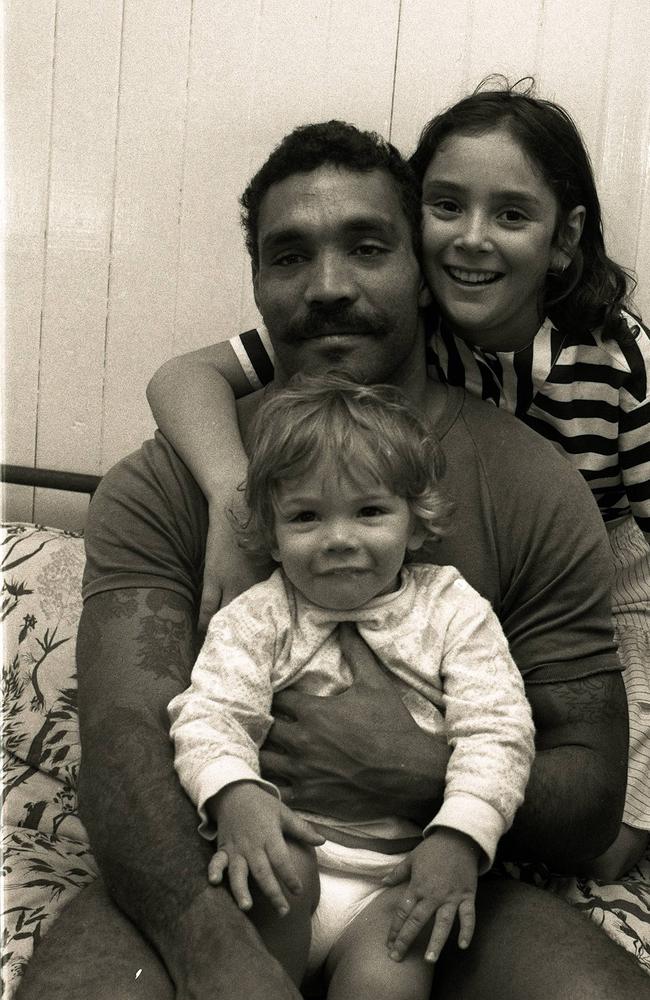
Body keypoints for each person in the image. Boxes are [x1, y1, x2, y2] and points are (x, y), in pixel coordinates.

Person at [16, 119, 648, 1000]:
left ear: (422, 276)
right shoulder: (166, 482)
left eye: (367, 247)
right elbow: (126, 746)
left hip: (439, 879)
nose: (327, 286)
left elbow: (588, 795)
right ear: (258, 284)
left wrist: (420, 770)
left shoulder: (532, 484)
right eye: (288, 256)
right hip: (208, 864)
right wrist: (219, 960)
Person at [147, 81, 650, 882]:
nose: (473, 241)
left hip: (623, 550)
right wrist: (235, 498)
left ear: (564, 238)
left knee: (613, 849)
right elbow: (181, 376)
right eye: (448, 208)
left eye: (512, 215)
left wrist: (417, 769)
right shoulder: (384, 324)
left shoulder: (612, 359)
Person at [168, 373, 536, 999]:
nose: (339, 539)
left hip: (401, 881)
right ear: (272, 536)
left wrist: (460, 836)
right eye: (306, 516)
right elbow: (210, 715)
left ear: (416, 524)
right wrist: (233, 794)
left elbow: (499, 730)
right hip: (282, 862)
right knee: (260, 919)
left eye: (369, 512)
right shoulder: (259, 616)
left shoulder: (453, 611)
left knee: (386, 987)